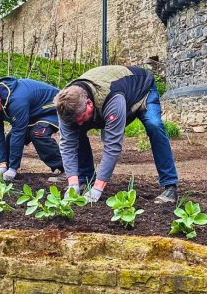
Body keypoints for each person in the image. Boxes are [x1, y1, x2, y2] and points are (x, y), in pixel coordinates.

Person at [54, 65, 178, 204]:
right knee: (76, 129)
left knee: (154, 125)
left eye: (82, 117)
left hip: (141, 91)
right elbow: (67, 144)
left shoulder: (112, 98)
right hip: (116, 96)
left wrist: (98, 190)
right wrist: (72, 185)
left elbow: (112, 145)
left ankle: (170, 186)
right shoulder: (66, 105)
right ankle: (84, 181)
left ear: (89, 103)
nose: (80, 122)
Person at [0, 77, 65, 180]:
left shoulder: (17, 100)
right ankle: (6, 170)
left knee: (38, 134)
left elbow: (18, 133)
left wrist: (13, 168)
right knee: (10, 139)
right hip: (32, 113)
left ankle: (67, 171)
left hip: (52, 108)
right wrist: (2, 164)